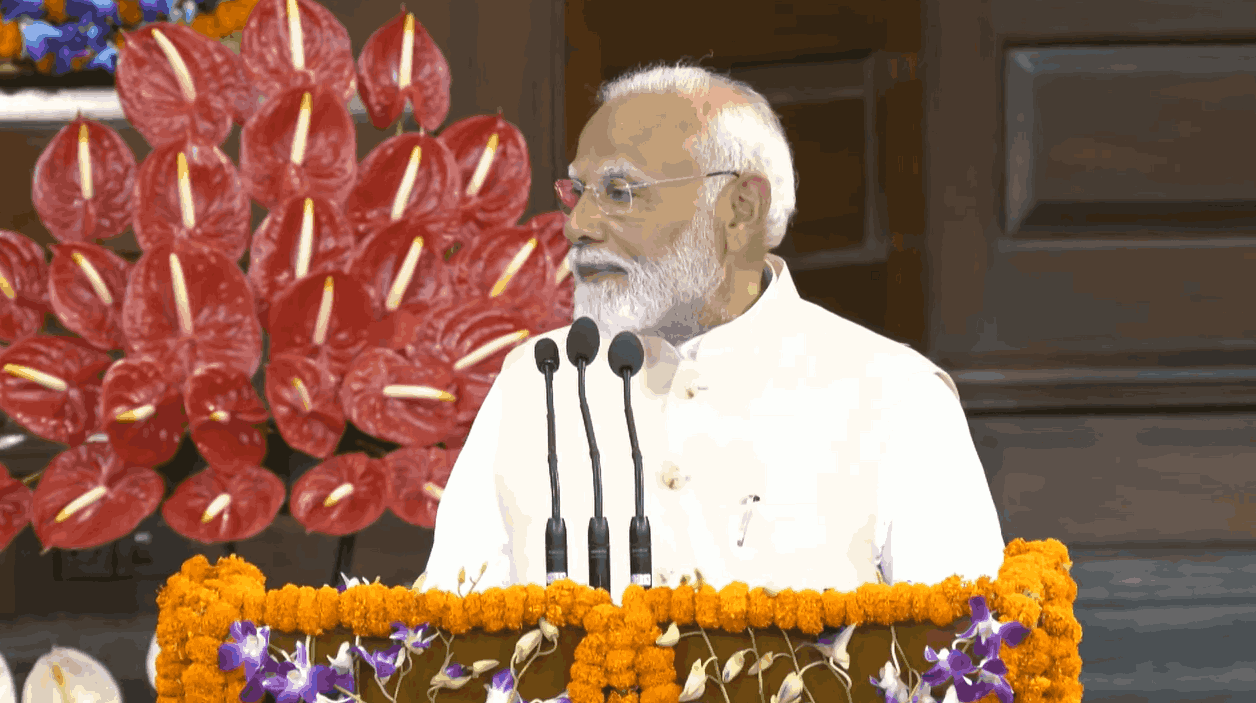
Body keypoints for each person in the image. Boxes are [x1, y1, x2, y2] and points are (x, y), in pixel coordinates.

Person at [422, 62, 1004, 599]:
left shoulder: (895, 395)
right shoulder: (534, 382)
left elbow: (971, 653)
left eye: (621, 192)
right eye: (577, 192)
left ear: (741, 209)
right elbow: (446, 640)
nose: (578, 224)